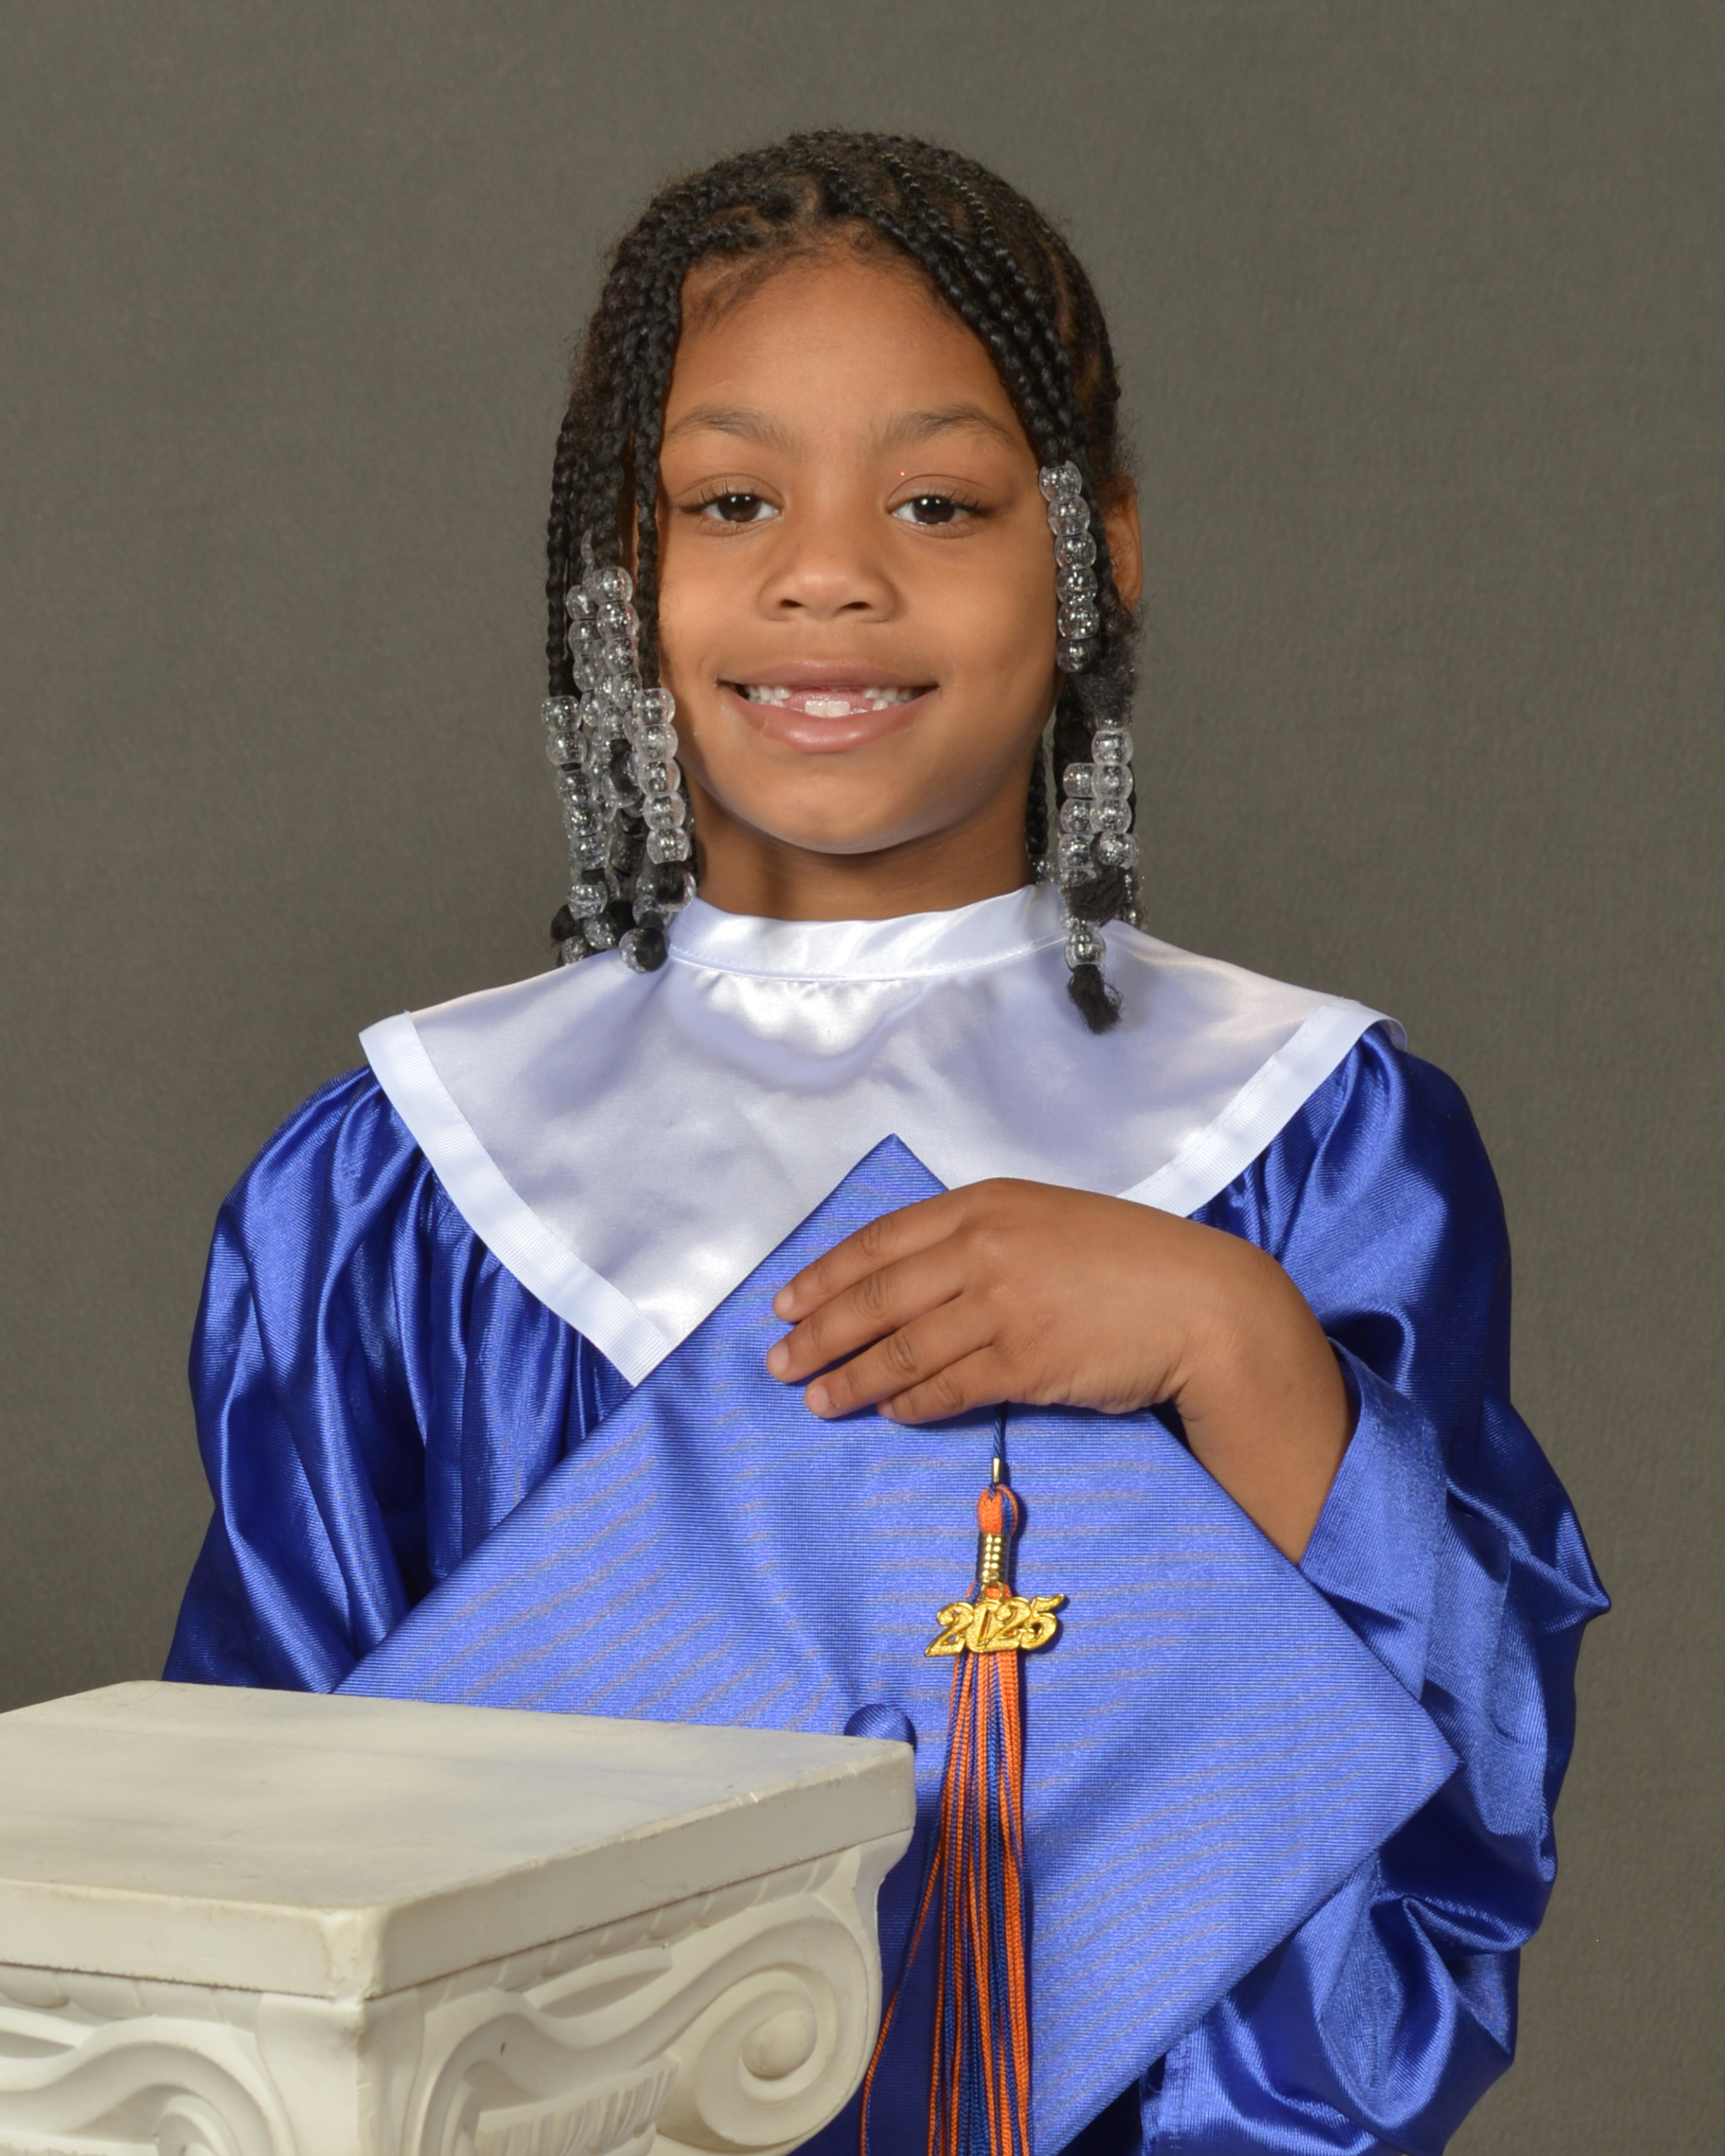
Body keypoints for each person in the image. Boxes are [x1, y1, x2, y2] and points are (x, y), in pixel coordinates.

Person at [166, 133, 1606, 2155]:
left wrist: (1237, 1346)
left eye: (936, 502)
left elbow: (1445, 1824)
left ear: (1094, 547)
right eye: (727, 501)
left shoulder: (1304, 1137)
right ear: (617, 566)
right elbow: (243, 1901)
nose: (826, 574)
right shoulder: (398, 1186)